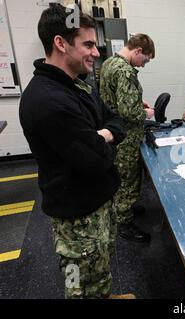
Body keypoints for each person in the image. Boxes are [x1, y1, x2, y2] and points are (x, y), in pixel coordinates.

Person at [19, 4, 133, 299]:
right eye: (88, 44)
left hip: (97, 204)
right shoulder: (48, 100)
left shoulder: (77, 85)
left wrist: (105, 134)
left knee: (99, 272)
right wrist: (105, 141)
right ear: (61, 43)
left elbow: (115, 120)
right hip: (78, 218)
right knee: (80, 285)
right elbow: (98, 159)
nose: (96, 52)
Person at [99, 33, 155, 243]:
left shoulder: (109, 63)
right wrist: (145, 114)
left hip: (113, 129)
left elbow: (113, 99)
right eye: (145, 59)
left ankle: (125, 209)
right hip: (126, 135)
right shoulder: (125, 71)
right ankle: (124, 222)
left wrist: (136, 103)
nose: (143, 65)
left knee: (120, 177)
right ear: (138, 51)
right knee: (128, 178)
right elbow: (128, 112)